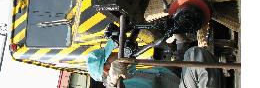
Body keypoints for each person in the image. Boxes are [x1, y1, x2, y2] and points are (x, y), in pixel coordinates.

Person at [86, 35, 223, 88]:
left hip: (180, 83)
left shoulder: (133, 73)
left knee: (189, 54)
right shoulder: (121, 83)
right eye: (112, 55)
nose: (118, 53)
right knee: (196, 54)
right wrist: (112, 82)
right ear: (107, 68)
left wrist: (180, 43)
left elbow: (173, 72)